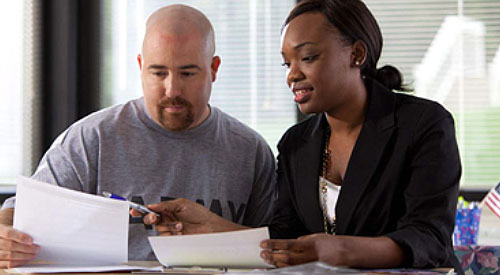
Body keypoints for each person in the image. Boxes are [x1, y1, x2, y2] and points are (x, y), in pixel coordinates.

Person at [140, 0, 462, 271]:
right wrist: (212, 227)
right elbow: (286, 240)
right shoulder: (296, 144)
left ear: (357, 54)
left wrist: (336, 250)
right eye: (287, 63)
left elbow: (429, 237)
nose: (293, 74)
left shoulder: (423, 124)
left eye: (307, 57)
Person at [0, 4, 276, 268]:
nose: (172, 90)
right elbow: (22, 212)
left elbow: (274, 249)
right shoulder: (91, 139)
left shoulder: (250, 151)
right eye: (158, 73)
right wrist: (4, 233)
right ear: (140, 65)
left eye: (188, 73)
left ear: (214, 69)